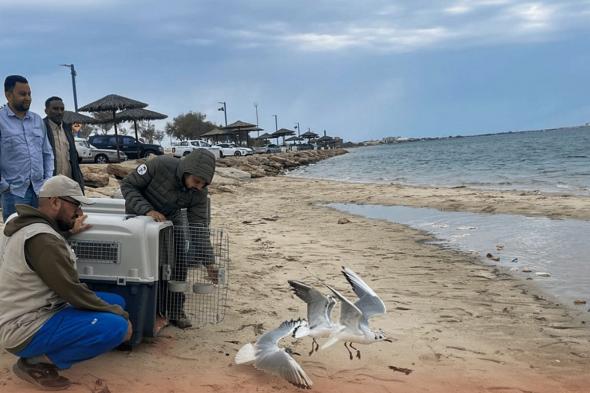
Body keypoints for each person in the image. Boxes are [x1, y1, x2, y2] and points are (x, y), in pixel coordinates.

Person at [0, 175, 132, 391]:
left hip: (31, 310)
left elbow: (46, 252)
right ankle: (35, 362)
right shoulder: (44, 240)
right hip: (25, 326)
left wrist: (67, 232)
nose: (79, 213)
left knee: (116, 301)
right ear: (55, 202)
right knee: (117, 326)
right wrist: (119, 315)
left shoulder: (28, 226)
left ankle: (45, 350)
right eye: (75, 206)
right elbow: (72, 291)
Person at [120, 149, 216, 329]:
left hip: (171, 217)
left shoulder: (199, 192)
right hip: (138, 216)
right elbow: (127, 185)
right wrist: (147, 211)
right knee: (146, 263)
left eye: (204, 184)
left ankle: (175, 310)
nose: (199, 187)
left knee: (179, 261)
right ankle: (147, 306)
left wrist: (209, 262)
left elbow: (198, 228)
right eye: (196, 181)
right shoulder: (159, 164)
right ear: (187, 171)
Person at [0, 75, 54, 222]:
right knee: (16, 238)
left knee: (40, 233)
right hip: (14, 193)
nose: (28, 98)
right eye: (22, 94)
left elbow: (47, 154)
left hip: (40, 191)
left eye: (29, 94)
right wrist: (4, 186)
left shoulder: (37, 120)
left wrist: (47, 181)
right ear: (8, 94)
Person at [43, 96, 85, 192]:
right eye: (55, 109)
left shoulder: (67, 129)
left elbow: (73, 158)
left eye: (62, 109)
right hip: (49, 185)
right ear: (46, 111)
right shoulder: (40, 128)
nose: (59, 112)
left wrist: (79, 181)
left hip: (68, 183)